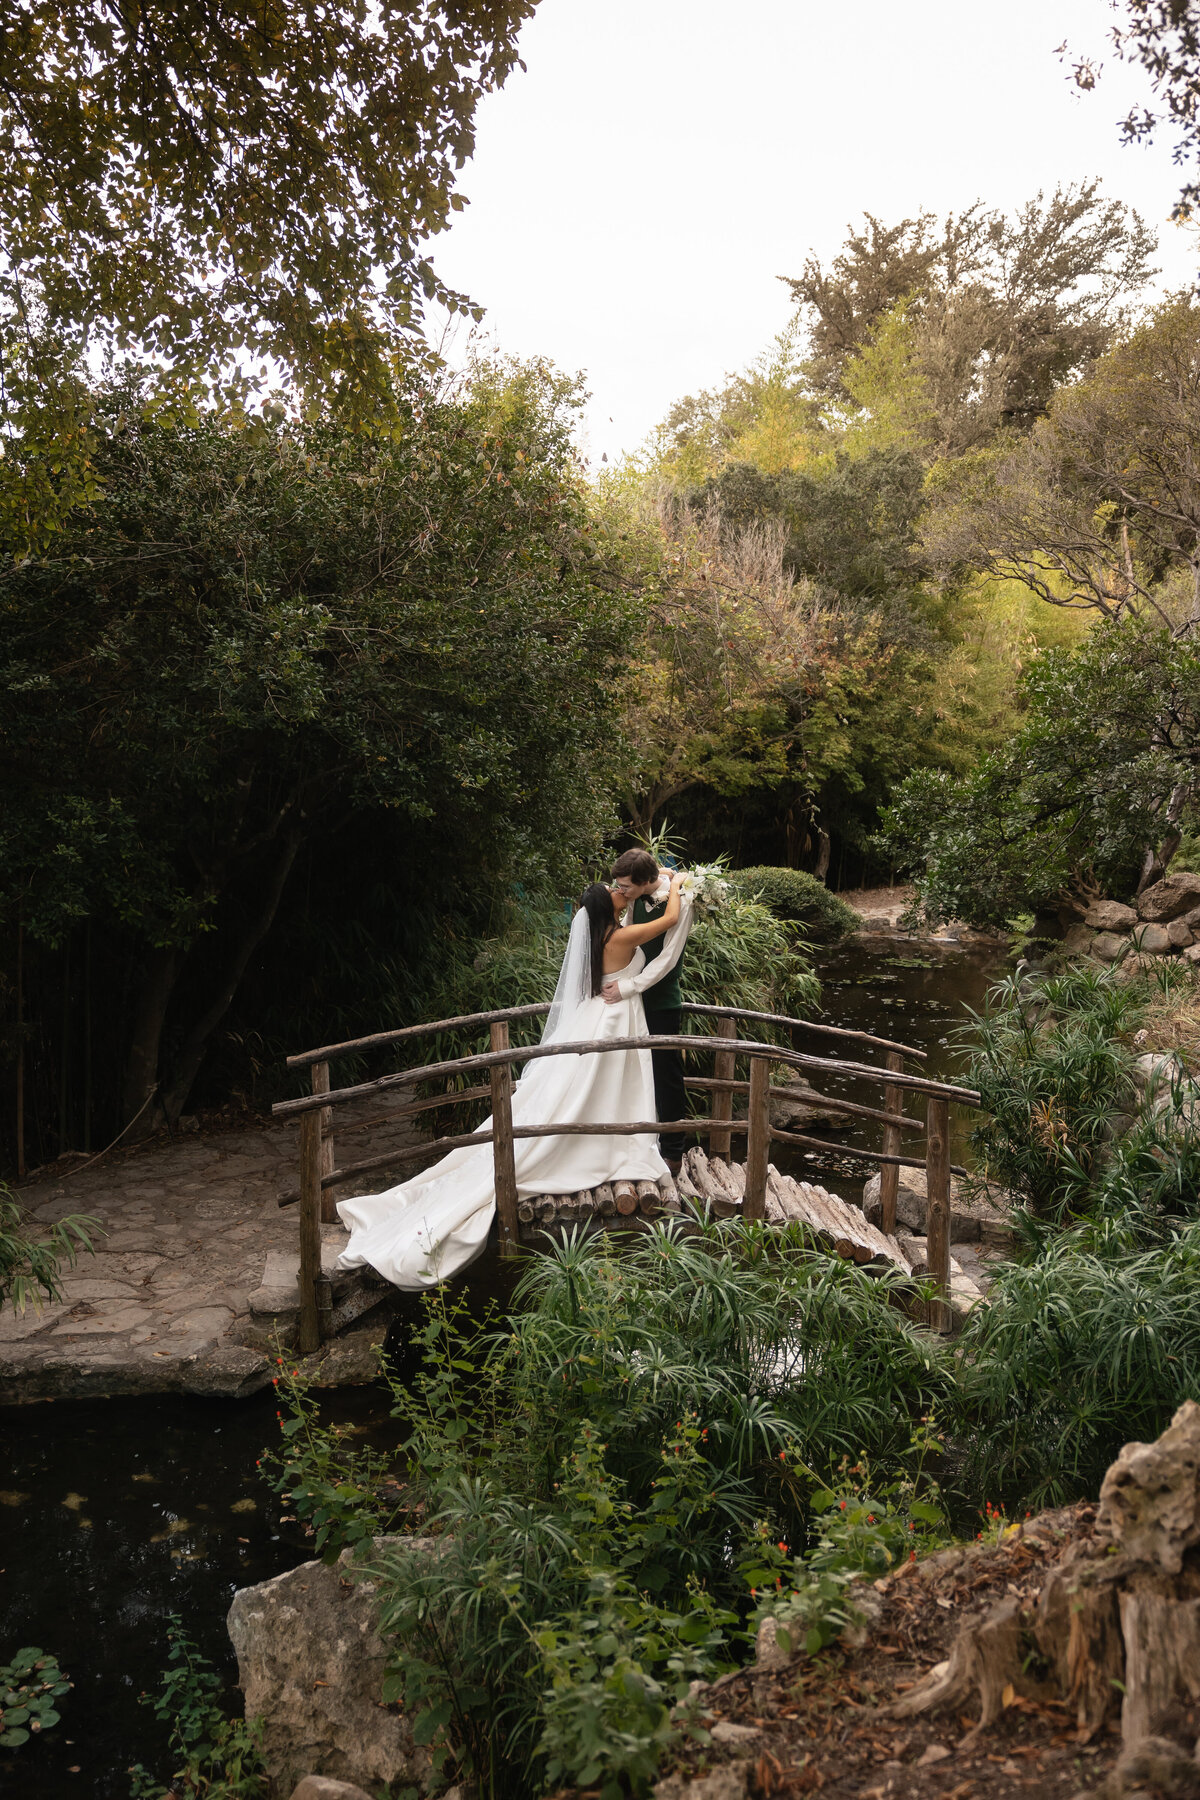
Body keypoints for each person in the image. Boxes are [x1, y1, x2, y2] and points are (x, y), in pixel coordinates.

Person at [334, 873, 687, 1290]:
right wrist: (678, 884)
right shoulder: (622, 937)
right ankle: (607, 1141)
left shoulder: (599, 935)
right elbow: (670, 920)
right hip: (613, 1020)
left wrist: (649, 884)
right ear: (606, 909)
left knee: (587, 1086)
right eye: (616, 892)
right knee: (603, 1084)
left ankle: (603, 1135)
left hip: (598, 1015)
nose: (621, 893)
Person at [604, 849, 695, 1176]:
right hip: (630, 1001)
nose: (620, 892)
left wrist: (628, 986)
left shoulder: (681, 900)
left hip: (661, 1001)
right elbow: (632, 940)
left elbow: (668, 958)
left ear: (643, 882)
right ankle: (636, 1144)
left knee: (666, 1075)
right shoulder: (636, 898)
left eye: (626, 886)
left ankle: (672, 1152)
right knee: (631, 1071)